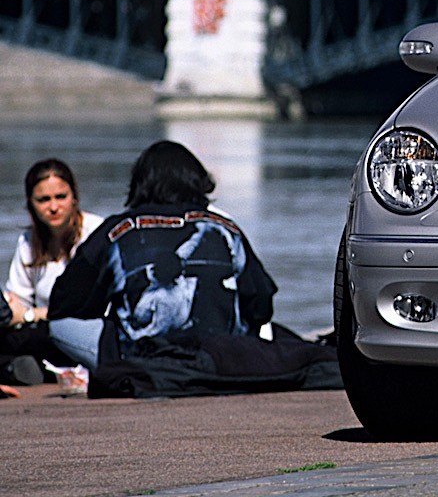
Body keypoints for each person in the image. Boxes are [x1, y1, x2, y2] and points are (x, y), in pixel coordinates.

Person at [48, 140, 338, 397]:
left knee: (58, 325)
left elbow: (65, 303)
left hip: (142, 357)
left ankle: (119, 363)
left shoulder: (118, 230)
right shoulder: (224, 228)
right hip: (222, 356)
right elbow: (261, 304)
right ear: (197, 181)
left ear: (139, 183)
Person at [2, 158, 102, 385]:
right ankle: (22, 368)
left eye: (61, 197)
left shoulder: (95, 233)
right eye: (43, 200)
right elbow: (16, 300)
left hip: (84, 327)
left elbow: (93, 306)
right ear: (30, 203)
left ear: (74, 196)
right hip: (43, 331)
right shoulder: (28, 242)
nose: (54, 207)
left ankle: (27, 369)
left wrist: (33, 314)